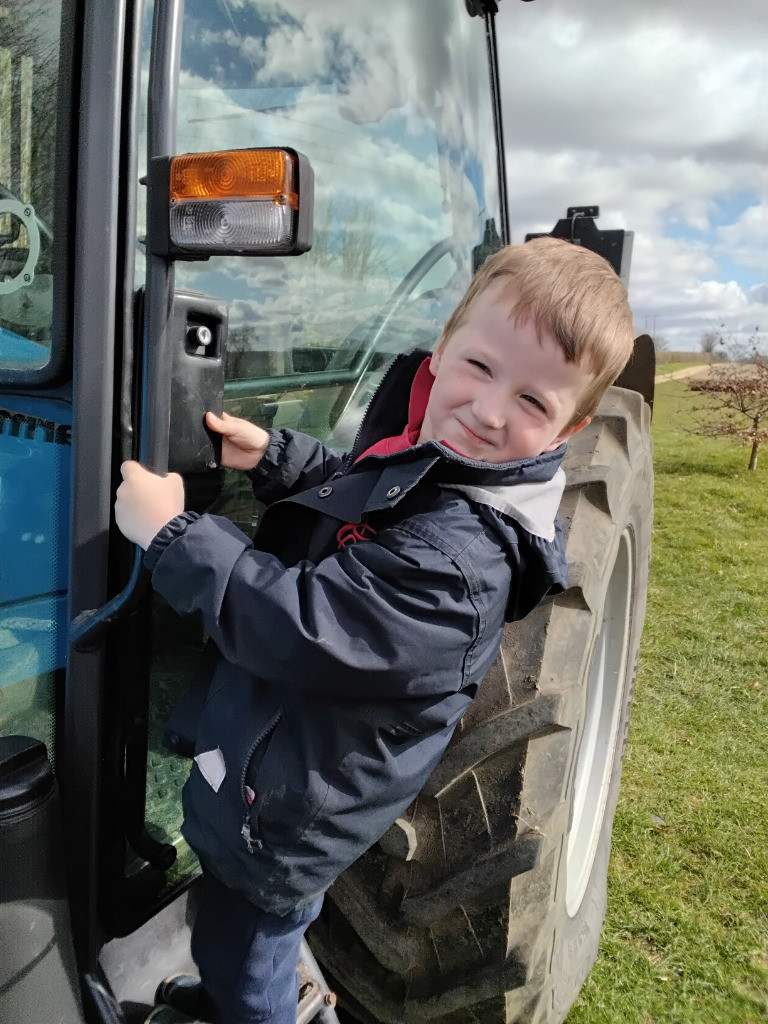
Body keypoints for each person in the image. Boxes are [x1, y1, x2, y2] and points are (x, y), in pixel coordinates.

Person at [115, 237, 634, 1024]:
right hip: (289, 768)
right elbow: (371, 488)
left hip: (296, 805)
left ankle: (246, 1011)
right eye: (479, 367)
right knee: (247, 929)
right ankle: (236, 996)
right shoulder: (444, 464)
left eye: (533, 402)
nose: (489, 411)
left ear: (570, 427)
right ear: (445, 346)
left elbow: (303, 627)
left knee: (244, 941)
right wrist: (277, 457)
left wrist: (174, 537)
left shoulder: (461, 563)